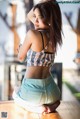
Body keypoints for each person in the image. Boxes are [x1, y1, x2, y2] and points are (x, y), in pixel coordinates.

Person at [12, 0, 62, 114]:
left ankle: (38, 108)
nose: (35, 20)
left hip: (33, 93)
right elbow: (31, 15)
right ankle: (52, 106)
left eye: (39, 17)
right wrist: (45, 4)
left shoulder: (32, 34)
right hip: (52, 92)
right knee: (56, 99)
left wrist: (21, 50)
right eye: (35, 17)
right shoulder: (55, 36)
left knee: (15, 94)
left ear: (49, 19)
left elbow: (20, 58)